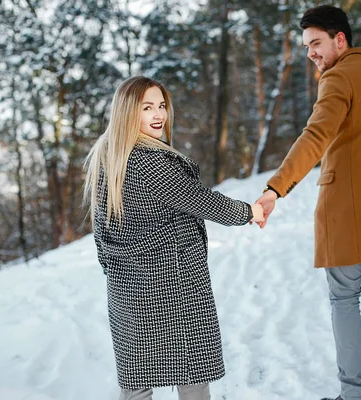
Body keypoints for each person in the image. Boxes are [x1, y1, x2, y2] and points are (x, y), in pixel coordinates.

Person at [254, 5, 361, 400]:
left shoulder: (337, 78)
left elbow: (315, 137)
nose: (311, 53)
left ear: (339, 39)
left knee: (344, 300)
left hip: (345, 213)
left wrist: (276, 188)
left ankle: (352, 394)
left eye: (315, 43)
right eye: (307, 46)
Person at [84, 76, 264, 400]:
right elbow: (199, 199)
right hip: (174, 287)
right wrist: (248, 212)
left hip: (127, 291)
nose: (158, 115)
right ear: (127, 113)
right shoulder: (150, 160)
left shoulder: (107, 157)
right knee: (192, 378)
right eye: (147, 107)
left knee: (137, 385)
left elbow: (101, 232)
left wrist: (116, 269)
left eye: (162, 106)